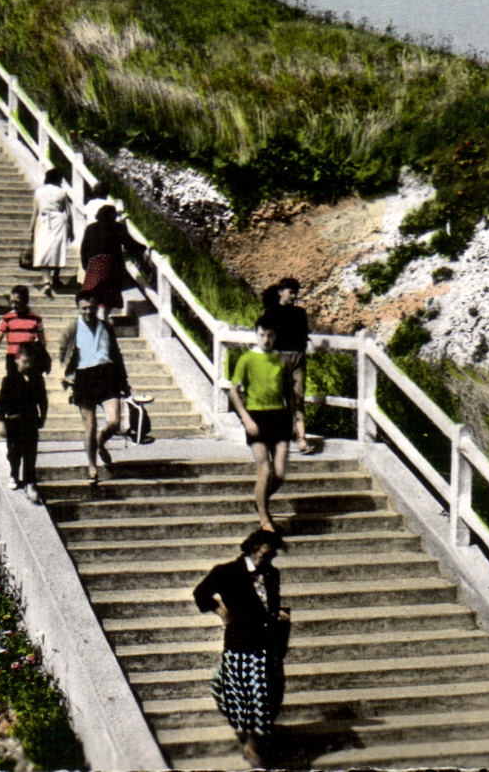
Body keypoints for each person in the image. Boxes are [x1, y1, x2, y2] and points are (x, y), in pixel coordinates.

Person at [193, 529, 291, 768]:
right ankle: (252, 744)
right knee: (248, 695)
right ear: (254, 548)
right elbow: (200, 593)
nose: (270, 556)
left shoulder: (271, 573)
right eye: (266, 551)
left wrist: (278, 614)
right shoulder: (227, 572)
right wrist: (222, 612)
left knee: (267, 696)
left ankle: (253, 741)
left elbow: (270, 603)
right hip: (242, 643)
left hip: (268, 644)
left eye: (273, 553)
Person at [227, 318, 292, 532]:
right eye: (262, 335)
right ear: (256, 334)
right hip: (256, 417)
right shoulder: (246, 359)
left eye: (270, 336)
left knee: (280, 473)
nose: (266, 340)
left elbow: (290, 394)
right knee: (265, 468)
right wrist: (246, 419)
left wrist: (297, 423)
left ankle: (260, 500)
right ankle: (264, 517)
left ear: (275, 337)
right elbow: (233, 391)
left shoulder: (282, 361)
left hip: (280, 416)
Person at [60, 292, 130, 485]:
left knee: (114, 421)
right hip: (84, 377)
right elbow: (63, 354)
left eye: (91, 307)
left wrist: (124, 382)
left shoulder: (106, 327)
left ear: (97, 307)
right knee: (89, 426)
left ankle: (100, 440)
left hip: (108, 375)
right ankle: (92, 465)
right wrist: (67, 377)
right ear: (78, 308)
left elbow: (116, 354)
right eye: (83, 308)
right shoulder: (73, 328)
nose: (87, 311)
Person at [262, 278, 316, 454]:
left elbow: (304, 335)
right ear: (280, 292)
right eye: (290, 291)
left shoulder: (300, 313)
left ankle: (301, 440)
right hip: (277, 358)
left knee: (298, 399)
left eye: (295, 292)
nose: (293, 295)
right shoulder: (270, 312)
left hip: (298, 359)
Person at [0, 344, 48, 502]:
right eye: (25, 361)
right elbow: (1, 403)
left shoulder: (37, 379)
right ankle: (14, 474)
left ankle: (29, 481)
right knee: (14, 451)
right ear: (17, 360)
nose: (28, 365)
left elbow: (43, 400)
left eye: (31, 362)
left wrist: (42, 416)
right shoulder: (9, 379)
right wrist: (2, 422)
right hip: (14, 421)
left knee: (30, 452)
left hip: (31, 420)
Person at [78, 205, 146, 316]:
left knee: (93, 295)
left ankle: (95, 318)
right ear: (112, 215)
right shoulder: (117, 227)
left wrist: (86, 266)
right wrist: (144, 248)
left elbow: (83, 250)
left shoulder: (90, 228)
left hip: (94, 265)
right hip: (111, 266)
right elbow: (130, 244)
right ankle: (103, 317)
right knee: (110, 296)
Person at [0, 285, 47, 379]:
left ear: (25, 301)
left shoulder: (36, 319)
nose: (13, 305)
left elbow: (42, 343)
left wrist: (43, 360)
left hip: (29, 359)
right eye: (11, 302)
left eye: (16, 302)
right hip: (13, 359)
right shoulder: (7, 319)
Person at [31, 168, 72, 297]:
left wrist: (31, 229)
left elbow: (35, 211)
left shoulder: (39, 192)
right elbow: (68, 212)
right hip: (59, 220)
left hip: (43, 220)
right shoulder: (61, 192)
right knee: (57, 249)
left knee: (43, 250)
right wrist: (71, 229)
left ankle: (46, 281)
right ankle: (55, 277)